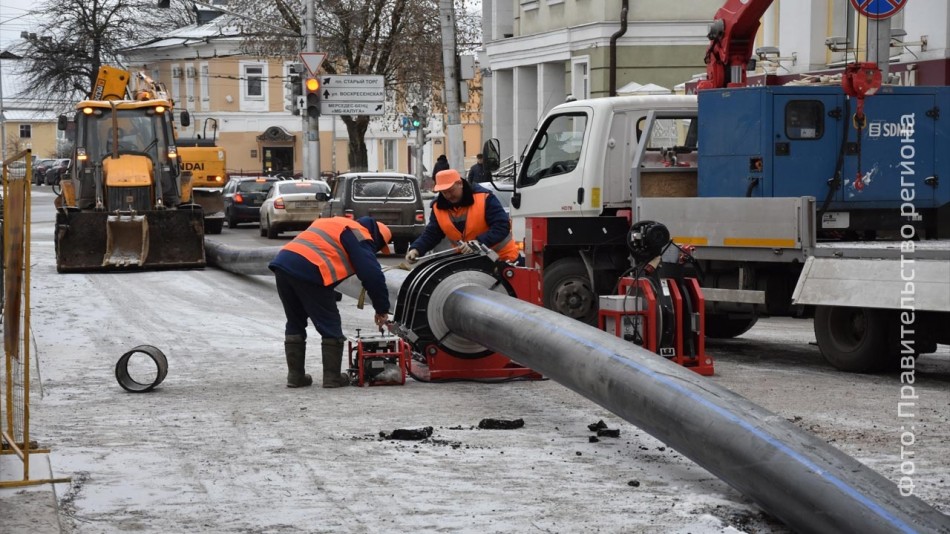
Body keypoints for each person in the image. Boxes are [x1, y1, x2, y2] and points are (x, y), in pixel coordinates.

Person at [269, 216, 392, 388]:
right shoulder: (360, 234)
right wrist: (382, 309)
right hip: (310, 270)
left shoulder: (335, 223)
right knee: (330, 324)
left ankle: (295, 377)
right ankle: (332, 377)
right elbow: (372, 274)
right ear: (376, 237)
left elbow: (323, 251)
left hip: (283, 265)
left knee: (295, 321)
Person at [405, 169, 519, 264]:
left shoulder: (484, 198)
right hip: (472, 262)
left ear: (460, 184)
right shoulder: (438, 207)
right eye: (444, 193)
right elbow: (432, 233)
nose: (448, 196)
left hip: (503, 259)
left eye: (451, 191)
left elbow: (502, 226)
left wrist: (479, 242)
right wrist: (416, 249)